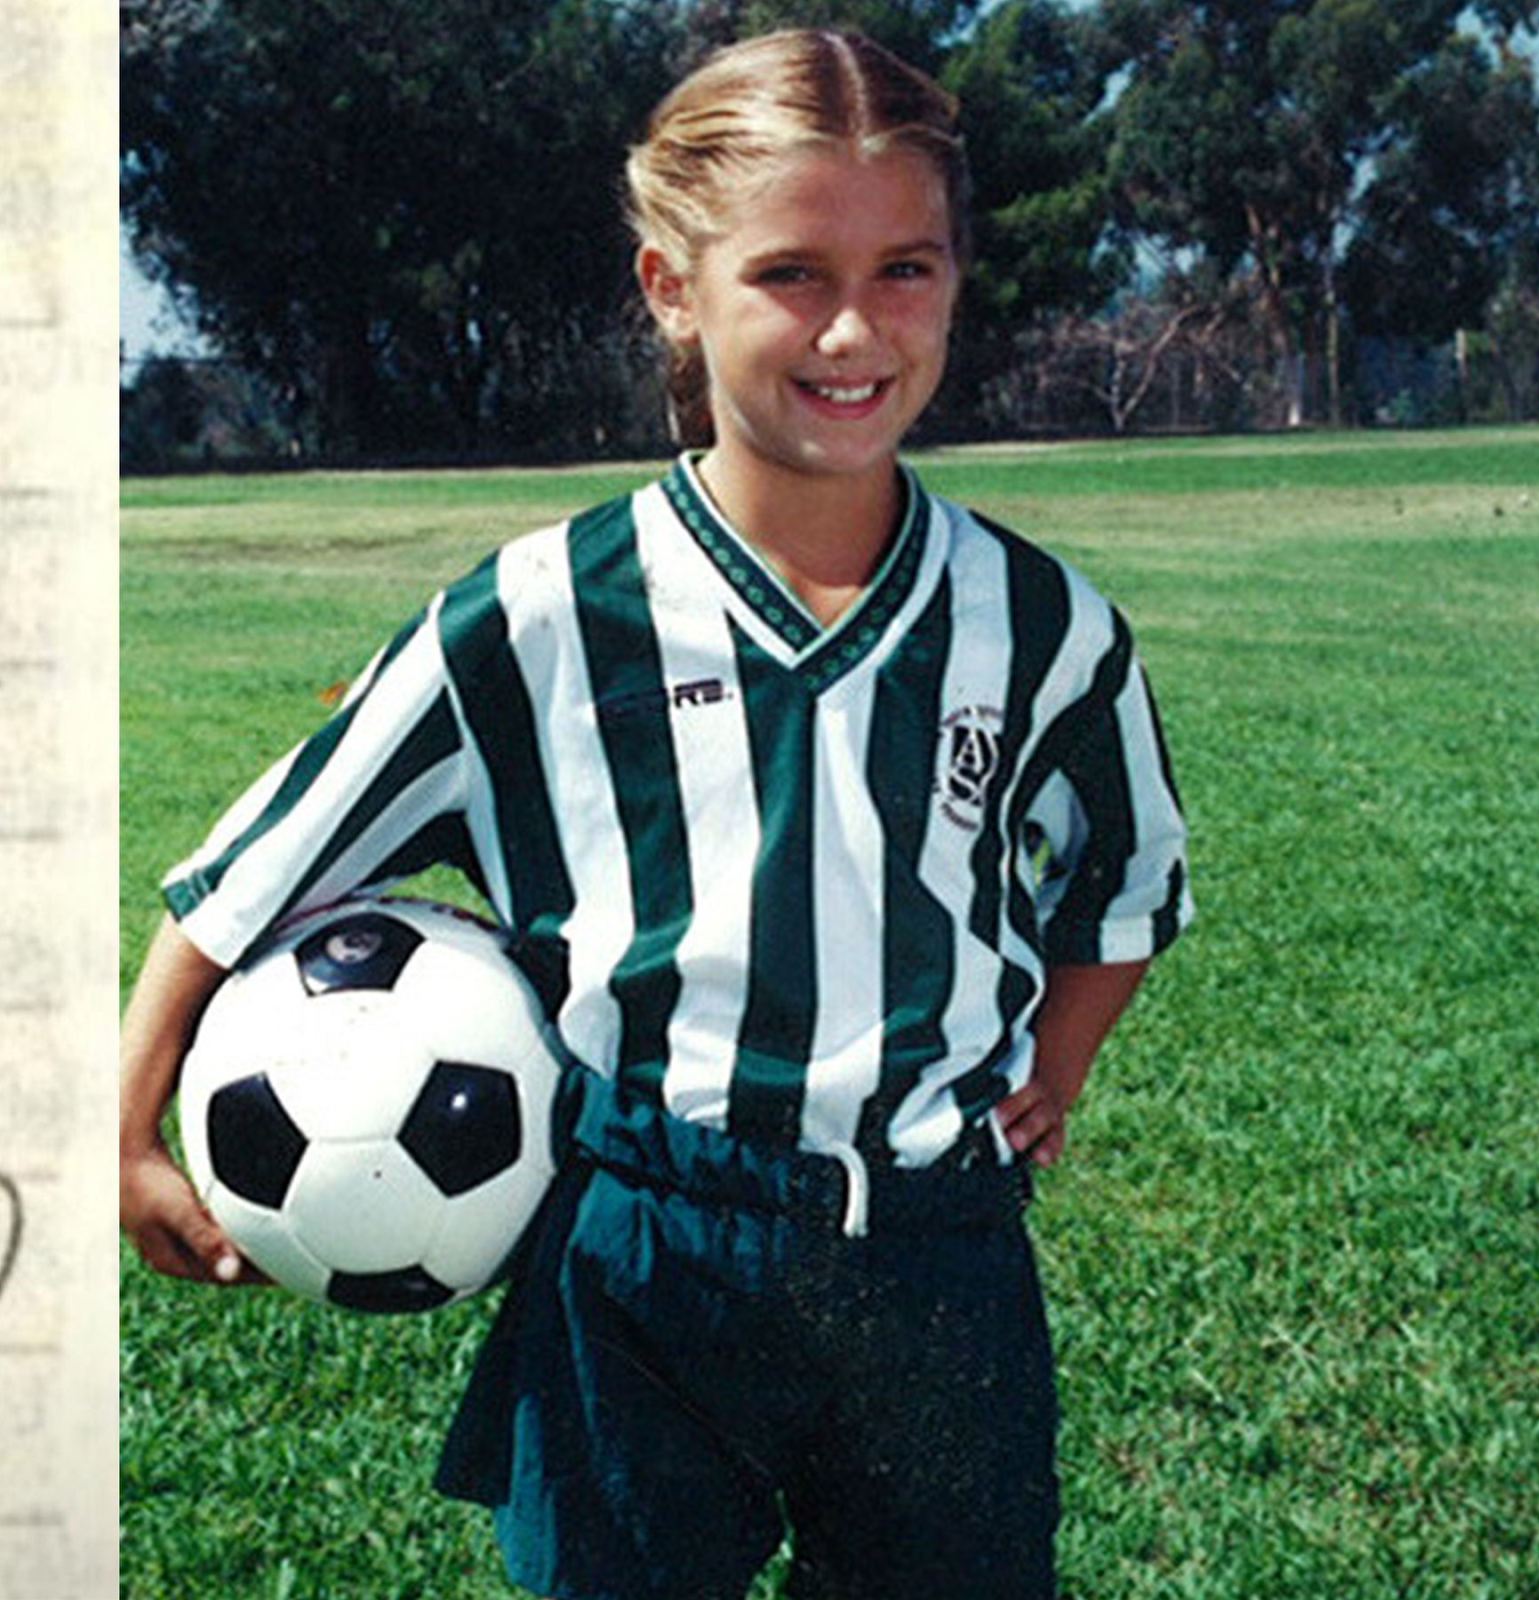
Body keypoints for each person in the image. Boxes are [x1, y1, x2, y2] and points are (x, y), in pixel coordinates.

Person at [120, 28, 1193, 1600]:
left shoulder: (1040, 623)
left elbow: (1126, 876)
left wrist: (1062, 1065)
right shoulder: (541, 613)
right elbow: (256, 865)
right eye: (788, 273)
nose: (851, 327)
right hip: (642, 1247)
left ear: (959, 280)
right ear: (670, 289)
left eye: (905, 269)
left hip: (938, 1255)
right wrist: (120, 1112)